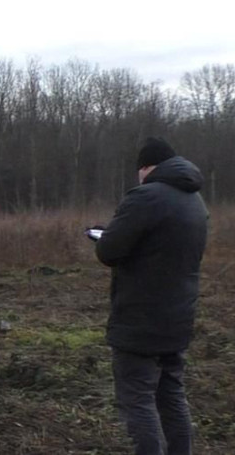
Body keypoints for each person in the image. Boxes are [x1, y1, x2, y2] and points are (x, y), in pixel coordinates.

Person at [95, 137, 208, 455]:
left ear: (146, 168)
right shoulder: (195, 200)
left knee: (138, 402)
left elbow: (109, 250)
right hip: (178, 318)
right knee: (172, 398)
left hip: (139, 321)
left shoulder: (145, 197)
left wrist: (104, 236)